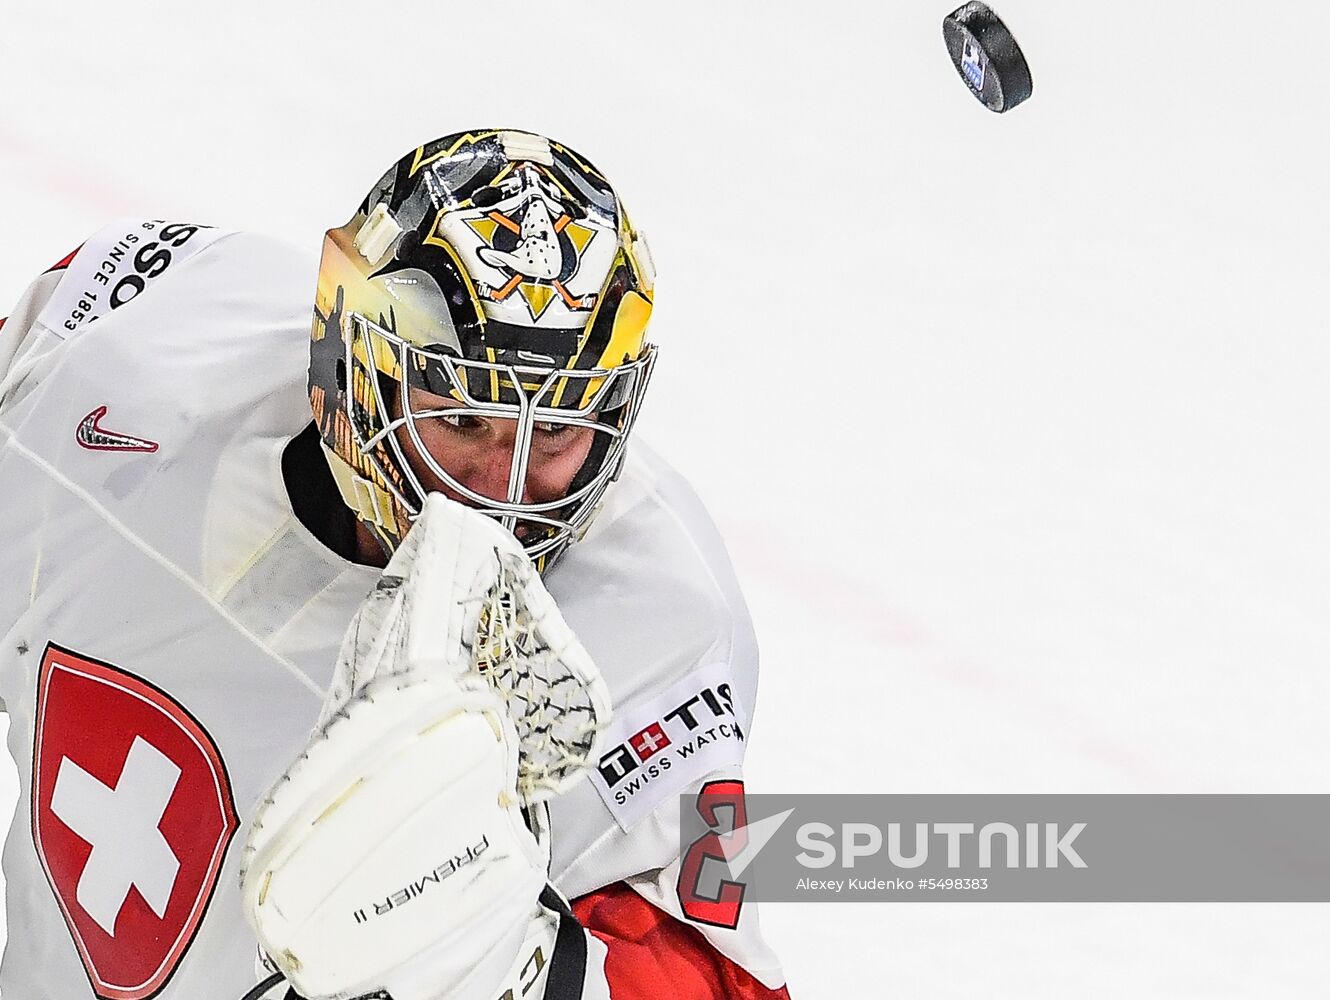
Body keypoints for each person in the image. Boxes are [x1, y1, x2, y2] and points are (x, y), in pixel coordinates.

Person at [0, 129, 788, 999]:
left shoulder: (662, 626)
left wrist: (526, 974)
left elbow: (720, 977)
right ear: (351, 368)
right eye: (461, 421)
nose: (502, 494)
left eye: (557, 432)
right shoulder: (133, 348)